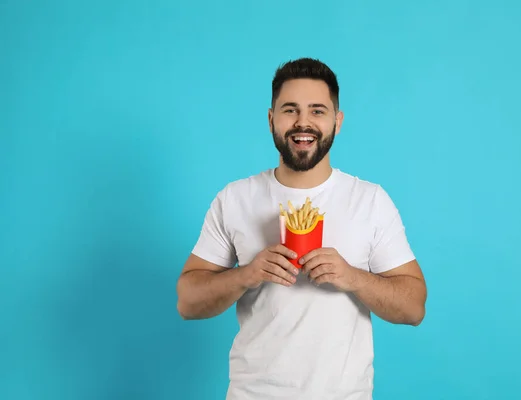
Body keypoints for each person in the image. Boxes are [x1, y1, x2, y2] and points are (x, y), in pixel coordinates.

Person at [176, 57, 427, 400]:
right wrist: (246, 275)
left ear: (337, 122)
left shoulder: (370, 201)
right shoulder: (235, 198)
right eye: (290, 110)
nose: (303, 122)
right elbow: (187, 302)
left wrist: (352, 277)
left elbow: (414, 308)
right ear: (271, 120)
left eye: (317, 111)